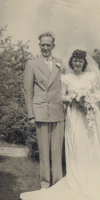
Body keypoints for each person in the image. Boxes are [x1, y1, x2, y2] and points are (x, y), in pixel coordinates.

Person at [20, 48, 100, 200]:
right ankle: (76, 179)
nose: (77, 63)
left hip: (89, 116)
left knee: (90, 145)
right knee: (77, 145)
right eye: (75, 61)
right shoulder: (65, 78)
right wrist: (73, 98)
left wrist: (88, 99)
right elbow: (62, 97)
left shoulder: (91, 76)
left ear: (84, 63)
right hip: (74, 116)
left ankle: (92, 180)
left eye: (80, 61)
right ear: (71, 62)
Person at [24, 32, 64, 189]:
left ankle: (58, 183)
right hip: (40, 110)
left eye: (48, 45)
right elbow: (28, 91)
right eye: (43, 45)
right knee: (44, 151)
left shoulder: (60, 63)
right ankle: (45, 184)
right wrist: (30, 115)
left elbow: (65, 86)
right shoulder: (32, 64)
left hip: (57, 111)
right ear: (39, 46)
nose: (45, 48)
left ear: (53, 46)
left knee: (56, 150)